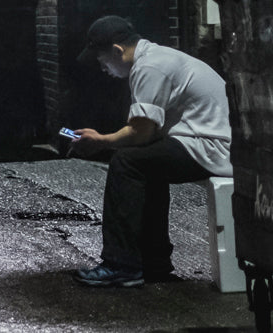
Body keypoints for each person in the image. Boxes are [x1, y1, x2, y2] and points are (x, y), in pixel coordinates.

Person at [69, 15, 232, 287]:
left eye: (102, 59)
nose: (102, 67)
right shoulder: (156, 59)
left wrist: (100, 141)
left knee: (127, 162)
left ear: (117, 51)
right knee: (146, 164)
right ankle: (152, 262)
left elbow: (140, 133)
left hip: (211, 147)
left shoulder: (150, 67)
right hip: (208, 142)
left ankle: (121, 264)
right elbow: (147, 133)